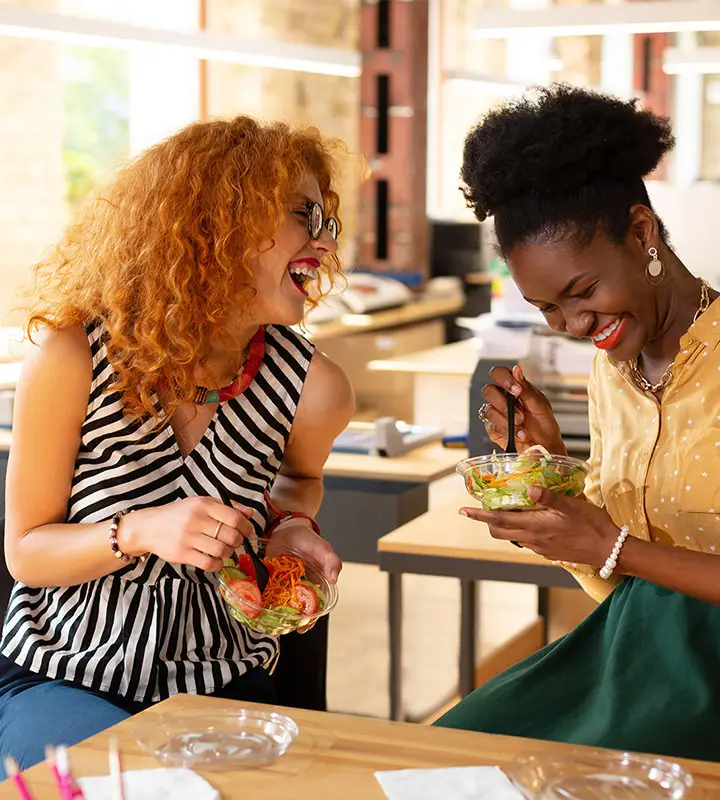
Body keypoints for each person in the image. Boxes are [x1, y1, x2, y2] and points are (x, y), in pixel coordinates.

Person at [0, 116, 354, 772]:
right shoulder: (74, 357)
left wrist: (293, 525)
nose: (325, 244)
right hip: (65, 674)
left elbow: (296, 483)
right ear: (217, 221)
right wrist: (137, 531)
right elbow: (26, 554)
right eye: (304, 215)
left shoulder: (313, 388)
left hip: (222, 679)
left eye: (325, 220)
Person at [434, 84, 720, 761]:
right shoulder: (613, 369)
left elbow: (621, 553)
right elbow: (616, 576)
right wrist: (555, 484)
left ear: (642, 233)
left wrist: (614, 547)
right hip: (636, 658)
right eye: (548, 309)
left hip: (701, 680)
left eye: (583, 292)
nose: (574, 325)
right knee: (448, 752)